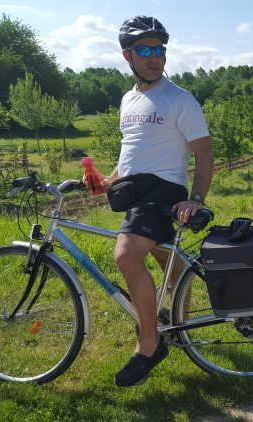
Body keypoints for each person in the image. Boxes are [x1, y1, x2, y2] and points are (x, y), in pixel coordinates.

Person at [87, 16, 214, 387]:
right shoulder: (129, 98)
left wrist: (196, 199)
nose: (154, 56)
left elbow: (205, 156)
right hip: (136, 192)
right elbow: (132, 154)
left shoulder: (178, 99)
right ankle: (181, 326)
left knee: (126, 256)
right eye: (144, 49)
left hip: (163, 192)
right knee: (166, 263)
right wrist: (105, 180)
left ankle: (149, 345)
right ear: (127, 54)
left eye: (159, 49)